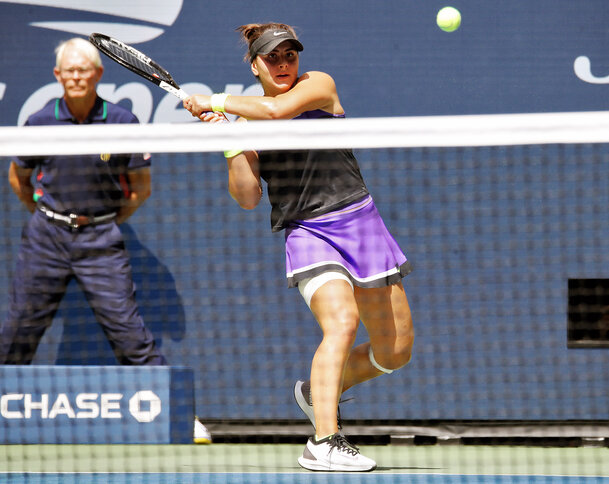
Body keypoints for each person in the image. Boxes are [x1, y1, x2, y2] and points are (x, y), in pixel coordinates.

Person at [183, 23, 414, 471]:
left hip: (361, 223)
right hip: (308, 231)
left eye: (290, 54)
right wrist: (230, 143)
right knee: (342, 322)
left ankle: (317, 392)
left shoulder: (318, 85)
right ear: (255, 65)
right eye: (273, 57)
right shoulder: (248, 123)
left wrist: (213, 101)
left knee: (395, 351)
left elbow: (277, 112)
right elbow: (249, 197)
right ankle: (324, 441)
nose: (284, 63)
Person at [0, 37, 211, 444]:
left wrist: (102, 220)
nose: (77, 76)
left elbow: (140, 188)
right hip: (46, 238)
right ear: (58, 75)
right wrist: (51, 217)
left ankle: (181, 417)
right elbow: (18, 178)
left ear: (98, 74)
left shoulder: (121, 122)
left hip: (100, 238)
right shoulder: (40, 122)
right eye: (70, 70)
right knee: (19, 330)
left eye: (85, 70)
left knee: (130, 332)